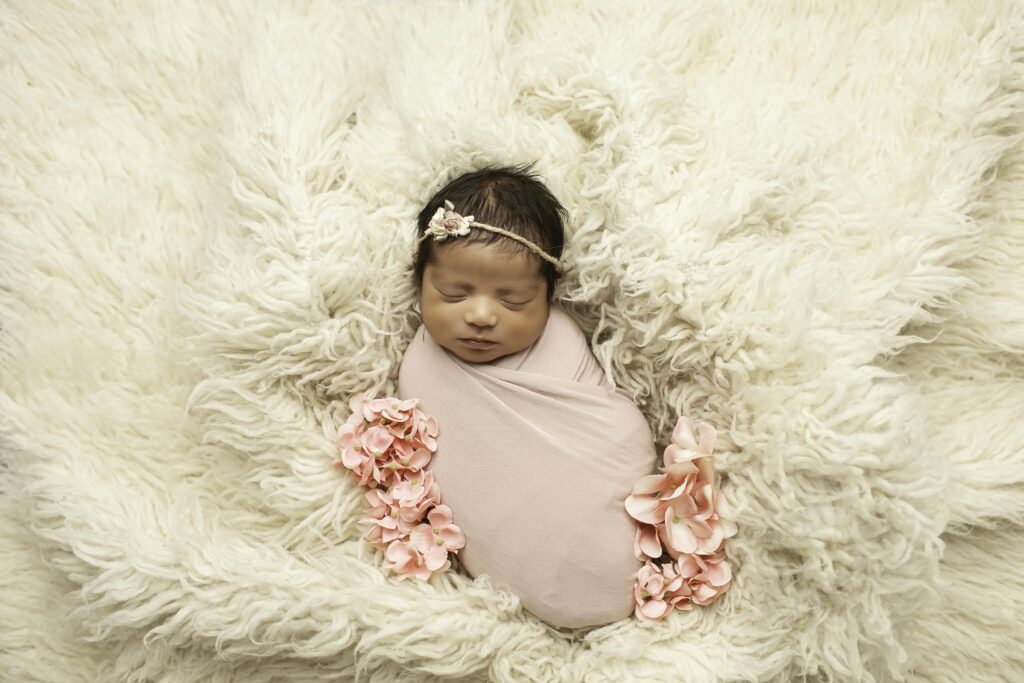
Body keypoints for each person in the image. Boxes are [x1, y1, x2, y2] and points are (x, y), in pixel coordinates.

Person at [398, 161, 660, 628]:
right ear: (419, 283)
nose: (480, 315)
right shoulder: (421, 367)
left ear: (547, 298)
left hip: (607, 539)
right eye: (454, 293)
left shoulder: (559, 338)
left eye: (513, 300)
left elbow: (610, 431)